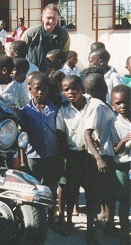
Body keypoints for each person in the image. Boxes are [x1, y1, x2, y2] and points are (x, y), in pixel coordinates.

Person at [56, 75, 96, 237]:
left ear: (82, 89)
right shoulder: (63, 111)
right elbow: (60, 136)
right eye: (66, 89)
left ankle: (90, 230)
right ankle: (68, 221)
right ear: (62, 92)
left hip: (90, 156)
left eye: (75, 88)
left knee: (91, 193)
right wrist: (66, 158)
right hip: (72, 156)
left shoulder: (92, 106)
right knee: (70, 192)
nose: (71, 92)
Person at [20, 73, 60, 228]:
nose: (41, 92)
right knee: (33, 188)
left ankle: (52, 217)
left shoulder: (54, 108)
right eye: (37, 89)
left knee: (51, 187)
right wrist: (23, 160)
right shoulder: (25, 111)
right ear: (30, 89)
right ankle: (35, 219)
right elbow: (22, 138)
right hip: (33, 156)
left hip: (51, 154)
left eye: (44, 89)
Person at [83, 73, 118, 243]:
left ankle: (110, 225)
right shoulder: (96, 107)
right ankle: (90, 233)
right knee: (94, 195)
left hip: (108, 155)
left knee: (109, 194)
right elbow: (87, 133)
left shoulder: (103, 105)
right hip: (100, 157)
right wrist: (98, 158)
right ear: (102, 88)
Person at [22, 3, 70, 72]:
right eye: (48, 18)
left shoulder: (64, 35)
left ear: (58, 19)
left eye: (54, 18)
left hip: (53, 74)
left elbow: (65, 55)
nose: (51, 21)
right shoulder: (30, 33)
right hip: (33, 74)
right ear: (42, 18)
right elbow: (20, 52)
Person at [110, 85, 131, 244]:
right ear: (113, 105)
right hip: (122, 167)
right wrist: (124, 140)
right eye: (118, 103)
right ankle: (124, 233)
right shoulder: (114, 124)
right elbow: (115, 150)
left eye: (126, 102)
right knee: (124, 200)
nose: (123, 106)